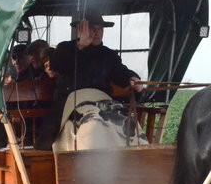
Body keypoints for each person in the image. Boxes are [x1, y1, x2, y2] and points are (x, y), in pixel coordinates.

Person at [35, 9, 144, 150]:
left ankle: (133, 158)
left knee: (126, 121)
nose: (97, 33)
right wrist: (80, 46)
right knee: (94, 122)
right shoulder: (65, 48)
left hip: (103, 101)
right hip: (72, 102)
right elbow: (56, 65)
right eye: (92, 28)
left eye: (100, 29)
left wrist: (133, 79)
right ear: (81, 29)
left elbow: (121, 73)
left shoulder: (108, 55)